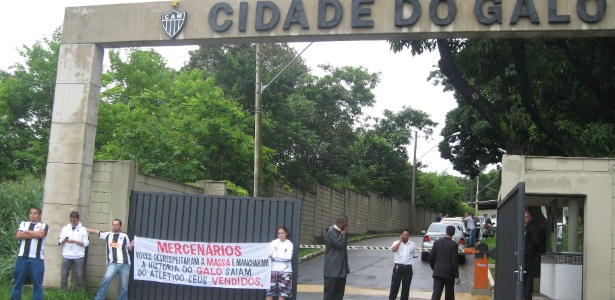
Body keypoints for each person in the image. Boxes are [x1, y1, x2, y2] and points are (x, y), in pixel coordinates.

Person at [88, 219, 134, 300]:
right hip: (112, 263)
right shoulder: (108, 234)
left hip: (125, 264)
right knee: (106, 279)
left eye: (117, 225)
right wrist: (86, 230)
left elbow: (129, 249)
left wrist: (132, 245)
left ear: (120, 226)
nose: (115, 226)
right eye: (113, 224)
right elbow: (97, 232)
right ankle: (99, 298)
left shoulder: (124, 236)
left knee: (124, 285)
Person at [11, 207, 49, 300]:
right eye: (31, 213)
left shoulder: (43, 226)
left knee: (37, 283)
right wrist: (34, 234)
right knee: (18, 282)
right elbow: (19, 235)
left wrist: (27, 231)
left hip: (36, 259)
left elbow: (40, 235)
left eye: (35, 213)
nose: (32, 215)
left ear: (39, 215)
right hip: (22, 258)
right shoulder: (23, 223)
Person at [58, 211, 89, 291]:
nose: (72, 222)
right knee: (64, 275)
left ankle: (79, 293)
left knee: (79, 275)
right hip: (67, 255)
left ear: (78, 219)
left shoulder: (83, 229)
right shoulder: (65, 228)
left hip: (78, 255)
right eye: (71, 221)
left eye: (74, 221)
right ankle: (63, 292)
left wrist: (74, 241)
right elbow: (60, 242)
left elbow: (85, 243)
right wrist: (64, 240)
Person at [429, 225, 460, 300]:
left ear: (446, 232)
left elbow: (431, 256)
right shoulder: (454, 245)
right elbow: (454, 261)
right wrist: (457, 275)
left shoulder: (437, 242)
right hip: (449, 273)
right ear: (453, 234)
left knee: (436, 293)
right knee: (449, 293)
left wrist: (434, 267)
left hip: (438, 271)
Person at [323, 214, 350, 300]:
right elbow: (339, 244)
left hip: (341, 273)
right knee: (330, 295)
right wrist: (344, 234)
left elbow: (344, 251)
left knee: (339, 295)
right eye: (347, 223)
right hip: (332, 273)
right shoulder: (331, 232)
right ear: (343, 222)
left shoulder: (341, 233)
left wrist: (346, 267)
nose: (347, 226)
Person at [388, 229, 419, 300]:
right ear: (401, 235)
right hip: (398, 267)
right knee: (395, 285)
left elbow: (415, 255)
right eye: (404, 235)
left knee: (406, 287)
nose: (406, 236)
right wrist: (400, 241)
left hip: (408, 268)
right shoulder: (396, 242)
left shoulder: (412, 244)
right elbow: (393, 250)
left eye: (407, 235)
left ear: (409, 236)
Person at [266, 226, 294, 300]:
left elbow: (288, 257)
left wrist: (275, 255)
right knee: (269, 293)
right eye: (279, 233)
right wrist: (280, 257)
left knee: (282, 294)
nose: (280, 235)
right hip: (272, 270)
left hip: (285, 271)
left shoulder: (289, 244)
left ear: (286, 233)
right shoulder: (273, 243)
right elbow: (269, 255)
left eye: (282, 233)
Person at [523, 210, 541, 300]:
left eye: (526, 217)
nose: (525, 219)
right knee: (523, 274)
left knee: (528, 275)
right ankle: (523, 294)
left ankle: (527, 295)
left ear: (530, 218)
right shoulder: (524, 227)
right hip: (523, 254)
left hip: (529, 254)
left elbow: (536, 241)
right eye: (524, 217)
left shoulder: (532, 228)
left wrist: (532, 251)